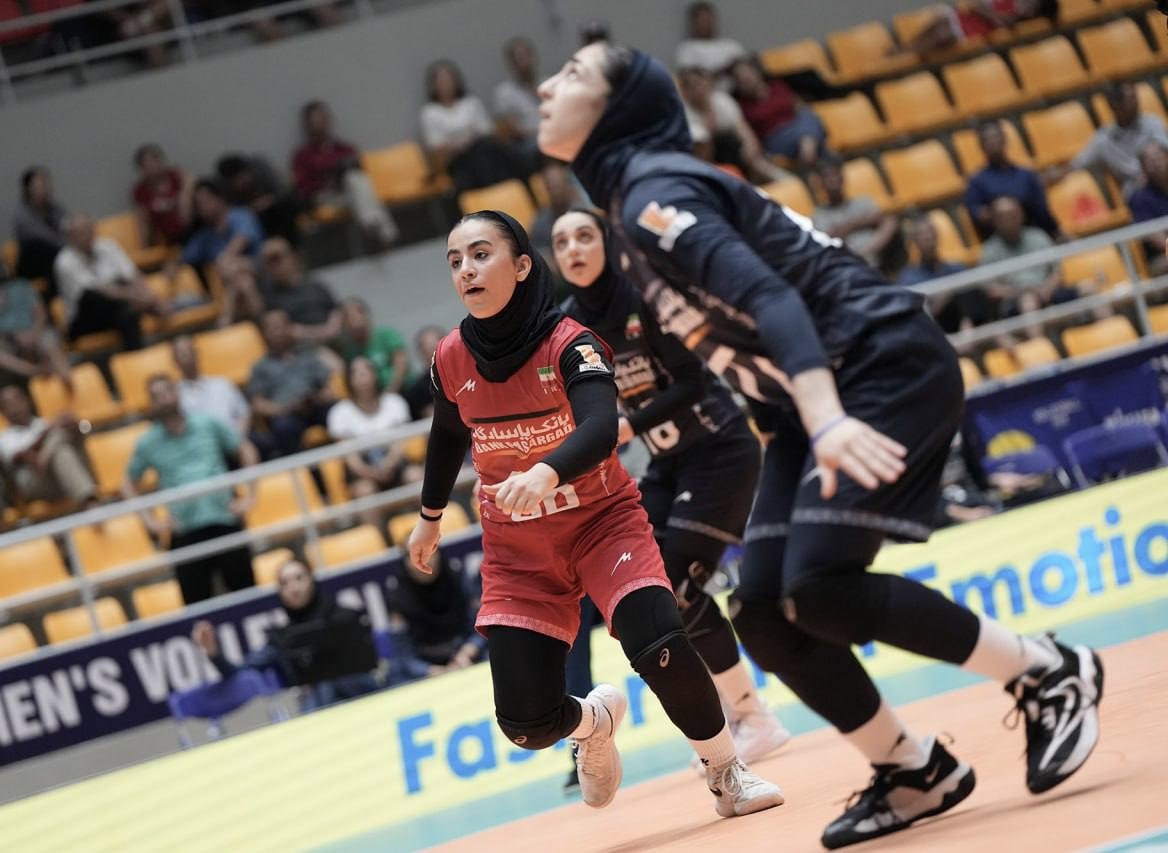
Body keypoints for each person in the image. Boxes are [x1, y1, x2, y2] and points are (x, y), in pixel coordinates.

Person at [537, 42, 1103, 847]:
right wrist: (790, 418)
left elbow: (769, 296)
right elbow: (739, 331)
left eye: (572, 75)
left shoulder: (656, 192)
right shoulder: (633, 205)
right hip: (809, 401)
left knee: (823, 587)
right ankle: (913, 769)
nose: (545, 85)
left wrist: (824, 414)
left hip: (878, 363)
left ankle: (1048, 669)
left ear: (617, 108)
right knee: (765, 611)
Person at [407, 209, 784, 817]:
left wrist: (546, 471)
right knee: (525, 724)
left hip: (601, 523)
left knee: (658, 636)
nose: (466, 270)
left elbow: (603, 427)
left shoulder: (572, 343)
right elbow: (448, 433)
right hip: (518, 551)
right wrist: (429, 516)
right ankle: (594, 724)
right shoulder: (450, 356)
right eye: (455, 261)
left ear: (521, 266)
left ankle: (726, 771)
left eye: (479, 254)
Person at [555, 207, 790, 767]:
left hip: (719, 450)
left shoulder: (644, 297)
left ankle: (755, 718)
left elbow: (693, 382)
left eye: (584, 236)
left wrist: (629, 425)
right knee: (655, 592)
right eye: (561, 242)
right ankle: (737, 714)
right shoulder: (567, 326)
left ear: (607, 244)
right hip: (669, 462)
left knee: (680, 586)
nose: (573, 249)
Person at [123, 374, 258, 604]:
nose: (165, 399)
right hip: (185, 530)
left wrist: (250, 496)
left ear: (177, 393)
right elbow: (127, 484)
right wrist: (151, 522)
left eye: (168, 391)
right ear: (152, 403)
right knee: (197, 609)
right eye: (157, 396)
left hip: (223, 519)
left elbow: (246, 450)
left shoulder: (207, 423)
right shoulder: (148, 442)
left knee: (249, 599)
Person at [192, 558, 378, 713]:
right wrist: (213, 651)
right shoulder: (281, 639)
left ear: (311, 579)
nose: (294, 587)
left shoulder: (344, 617)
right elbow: (241, 672)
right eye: (285, 583)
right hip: (318, 711)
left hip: (364, 700)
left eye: (299, 578)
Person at [291, 100, 398, 248]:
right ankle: (385, 236)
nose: (319, 124)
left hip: (348, 192)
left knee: (356, 181)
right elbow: (301, 187)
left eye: (322, 119)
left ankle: (373, 227)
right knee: (361, 192)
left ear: (328, 120)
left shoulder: (344, 148)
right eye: (314, 121)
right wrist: (325, 183)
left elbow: (360, 170)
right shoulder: (302, 156)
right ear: (307, 125)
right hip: (323, 196)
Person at [326, 356, 418, 528]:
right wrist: (372, 473)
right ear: (349, 380)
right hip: (362, 471)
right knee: (365, 492)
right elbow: (350, 458)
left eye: (366, 371)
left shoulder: (394, 402)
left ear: (375, 374)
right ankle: (378, 541)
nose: (363, 377)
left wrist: (389, 464)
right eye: (357, 373)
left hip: (395, 463)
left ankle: (433, 532)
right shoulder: (339, 412)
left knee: (416, 477)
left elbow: (400, 444)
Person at [54, 213, 168, 350]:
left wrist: (149, 296)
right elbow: (99, 291)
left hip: (118, 306)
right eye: (80, 233)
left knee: (127, 314)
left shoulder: (107, 246)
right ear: (70, 237)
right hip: (85, 317)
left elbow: (133, 274)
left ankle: (137, 356)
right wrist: (142, 300)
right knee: (96, 298)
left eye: (89, 230)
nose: (87, 236)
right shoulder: (64, 261)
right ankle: (143, 309)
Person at [420, 60, 529, 194]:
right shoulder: (430, 113)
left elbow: (488, 131)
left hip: (483, 150)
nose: (446, 84)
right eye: (441, 81)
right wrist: (463, 143)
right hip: (457, 162)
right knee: (483, 158)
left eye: (448, 79)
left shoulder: (471, 103)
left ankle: (517, 192)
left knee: (496, 153)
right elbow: (438, 150)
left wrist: (467, 140)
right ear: (434, 85)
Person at [386, 546, 485, 681]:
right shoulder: (398, 597)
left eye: (430, 553)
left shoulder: (458, 579)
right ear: (405, 562)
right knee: (395, 673)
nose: (425, 561)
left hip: (465, 653)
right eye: (415, 555)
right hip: (425, 665)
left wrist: (469, 650)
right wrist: (428, 670)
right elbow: (403, 653)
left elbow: (481, 624)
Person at [247, 309, 336, 459]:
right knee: (283, 428)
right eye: (273, 328)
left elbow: (327, 388)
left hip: (315, 407)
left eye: (282, 326)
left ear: (289, 328)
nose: (279, 332)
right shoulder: (260, 367)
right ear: (265, 334)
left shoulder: (306, 355)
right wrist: (283, 409)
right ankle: (303, 470)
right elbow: (258, 404)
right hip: (286, 414)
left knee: (338, 412)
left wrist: (318, 398)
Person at [174, 178, 265, 326]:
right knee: (244, 282)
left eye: (206, 200)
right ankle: (262, 324)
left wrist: (223, 261)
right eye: (199, 204)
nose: (203, 207)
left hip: (260, 271)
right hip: (235, 283)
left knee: (230, 265)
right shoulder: (205, 236)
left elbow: (240, 242)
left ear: (220, 198)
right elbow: (182, 259)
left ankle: (225, 319)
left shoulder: (241, 215)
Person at [677, 66, 788, 185]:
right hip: (708, 159)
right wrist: (707, 109)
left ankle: (788, 182)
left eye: (699, 83)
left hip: (734, 149)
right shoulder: (683, 113)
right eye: (691, 86)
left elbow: (743, 129)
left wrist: (750, 148)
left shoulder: (722, 100)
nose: (698, 89)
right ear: (685, 91)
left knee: (752, 158)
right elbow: (704, 147)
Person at [1061, 81, 1168, 199]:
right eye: (1130, 99)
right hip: (1138, 192)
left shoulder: (1152, 123)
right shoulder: (1103, 140)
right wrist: (1055, 174)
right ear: (1115, 105)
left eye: (1135, 97)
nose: (1136, 102)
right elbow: (1076, 165)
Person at [0, 385, 97, 514]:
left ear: (26, 401)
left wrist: (73, 426)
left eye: (17, 400)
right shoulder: (5, 438)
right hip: (36, 485)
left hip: (60, 476)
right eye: (8, 404)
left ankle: (43, 458)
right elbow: (22, 456)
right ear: (3, 411)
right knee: (59, 441)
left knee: (63, 445)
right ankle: (90, 503)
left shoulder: (43, 423)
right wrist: (49, 431)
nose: (14, 406)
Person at [980, 196, 1077, 320]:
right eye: (1003, 217)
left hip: (1049, 290)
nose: (1009, 220)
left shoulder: (1038, 236)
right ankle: (1037, 333)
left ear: (1022, 214)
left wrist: (1047, 289)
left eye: (1013, 215)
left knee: (1088, 289)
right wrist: (1019, 292)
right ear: (994, 220)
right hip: (1015, 300)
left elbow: (1057, 271)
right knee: (1029, 303)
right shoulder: (989, 250)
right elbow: (990, 289)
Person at [965, 120, 1060, 240]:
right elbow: (977, 214)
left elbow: (1042, 211)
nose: (993, 142)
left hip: (1032, 234)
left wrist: (1057, 232)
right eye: (988, 139)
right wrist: (1006, 215)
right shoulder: (976, 182)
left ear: (1004, 140)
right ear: (982, 146)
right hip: (1000, 241)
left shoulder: (1026, 175)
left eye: (996, 137)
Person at [897, 218, 994, 334]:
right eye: (922, 235)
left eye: (930, 232)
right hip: (937, 326)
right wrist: (946, 294)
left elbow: (975, 288)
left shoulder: (955, 266)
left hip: (968, 320)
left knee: (969, 290)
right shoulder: (909, 277)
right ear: (914, 241)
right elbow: (916, 313)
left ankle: (969, 329)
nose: (928, 237)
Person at [729, 56, 827, 169]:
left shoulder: (778, 86)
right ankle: (813, 158)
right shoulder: (742, 107)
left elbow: (800, 107)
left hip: (799, 126)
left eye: (748, 75)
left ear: (757, 73)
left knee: (808, 119)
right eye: (742, 80)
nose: (748, 81)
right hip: (776, 138)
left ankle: (809, 158)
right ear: (738, 85)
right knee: (809, 136)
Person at [257, 238, 343, 364]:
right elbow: (289, 332)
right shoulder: (271, 299)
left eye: (279, 259)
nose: (276, 266)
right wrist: (321, 333)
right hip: (304, 350)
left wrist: (331, 328)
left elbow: (336, 310)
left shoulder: (315, 285)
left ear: (292, 257)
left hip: (335, 338)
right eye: (271, 263)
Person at [813, 159, 901, 274]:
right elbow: (826, 240)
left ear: (842, 178)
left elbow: (881, 218)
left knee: (891, 222)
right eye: (827, 177)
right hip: (847, 268)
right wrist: (862, 222)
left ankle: (870, 258)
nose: (832, 180)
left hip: (877, 257)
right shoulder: (819, 215)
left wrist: (851, 226)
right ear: (821, 184)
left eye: (835, 175)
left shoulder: (863, 202)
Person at [897, 0, 1053, 56]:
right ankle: (905, 51)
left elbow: (1001, 21)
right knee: (940, 22)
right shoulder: (1007, 4)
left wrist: (991, 15)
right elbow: (975, 6)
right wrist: (991, 15)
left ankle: (906, 55)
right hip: (963, 20)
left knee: (942, 33)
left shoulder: (1020, 21)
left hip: (972, 35)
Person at [0, 269, 71, 388]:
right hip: (8, 339)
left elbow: (41, 313)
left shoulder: (21, 286)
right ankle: (34, 371)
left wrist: (33, 333)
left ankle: (66, 377)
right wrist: (14, 335)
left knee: (49, 340)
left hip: (35, 331)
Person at [216, 153, 303, 246]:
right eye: (233, 182)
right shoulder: (226, 188)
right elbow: (233, 210)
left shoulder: (261, 168)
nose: (239, 185)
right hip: (252, 216)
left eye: (240, 179)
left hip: (277, 206)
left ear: (247, 171)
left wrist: (267, 200)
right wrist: (251, 209)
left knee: (288, 206)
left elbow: (284, 191)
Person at [172, 335, 251, 436]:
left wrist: (237, 438)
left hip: (237, 438)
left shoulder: (222, 383)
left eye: (190, 350)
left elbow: (244, 412)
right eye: (181, 353)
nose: (187, 355)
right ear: (175, 360)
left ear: (197, 354)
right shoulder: (175, 397)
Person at [494, 37, 544, 174]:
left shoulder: (548, 83)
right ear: (512, 64)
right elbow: (514, 130)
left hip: (555, 135)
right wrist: (542, 133)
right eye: (519, 58)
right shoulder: (504, 92)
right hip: (527, 143)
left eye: (526, 56)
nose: (524, 62)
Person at [12, 166, 66, 288]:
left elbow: (68, 227)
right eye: (39, 186)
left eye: (46, 184)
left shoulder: (55, 209)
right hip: (32, 263)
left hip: (55, 254)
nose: (45, 189)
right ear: (28, 189)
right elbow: (46, 238)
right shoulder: (22, 215)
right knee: (42, 248)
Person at [132, 143, 193, 248]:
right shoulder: (141, 191)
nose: (153, 166)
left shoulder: (177, 176)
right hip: (173, 237)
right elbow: (143, 221)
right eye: (147, 164)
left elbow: (194, 187)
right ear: (141, 168)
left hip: (192, 228)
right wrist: (146, 248)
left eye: (155, 160)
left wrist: (184, 197)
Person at [529, 159, 586, 256]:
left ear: (568, 185)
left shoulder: (584, 213)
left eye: (559, 186)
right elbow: (537, 253)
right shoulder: (541, 222)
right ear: (546, 189)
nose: (556, 192)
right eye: (551, 187)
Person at [674, 2, 747, 77]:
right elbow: (688, 75)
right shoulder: (686, 49)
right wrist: (726, 69)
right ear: (693, 23)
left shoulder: (731, 45)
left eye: (708, 19)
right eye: (702, 20)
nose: (707, 23)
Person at [1129, 142, 1168, 278]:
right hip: (1161, 256)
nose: (1156, 163)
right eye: (1150, 161)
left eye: (1159, 157)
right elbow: (1156, 237)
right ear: (1144, 169)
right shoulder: (1139, 198)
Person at [402, 324, 445, 420]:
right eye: (429, 349)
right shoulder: (416, 391)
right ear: (421, 353)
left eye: (438, 347)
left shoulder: (470, 372)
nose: (436, 353)